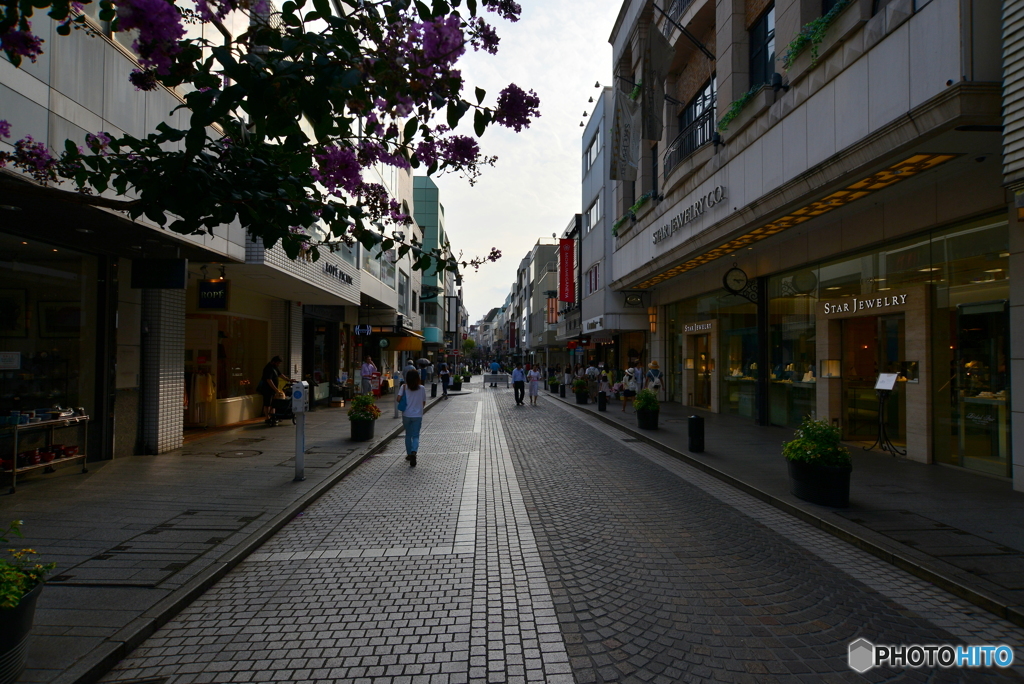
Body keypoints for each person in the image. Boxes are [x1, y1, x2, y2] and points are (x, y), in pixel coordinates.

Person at [397, 368, 427, 467]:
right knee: (416, 435)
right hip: (417, 415)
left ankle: (409, 454)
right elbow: (423, 402)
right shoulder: (422, 388)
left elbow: (398, 399)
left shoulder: (404, 387)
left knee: (408, 435)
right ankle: (414, 451)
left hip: (406, 414)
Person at [260, 356, 294, 425]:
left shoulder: (275, 368)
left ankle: (273, 416)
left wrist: (288, 380)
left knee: (274, 403)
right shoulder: (268, 368)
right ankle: (267, 418)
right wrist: (275, 389)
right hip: (267, 389)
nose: (279, 364)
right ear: (273, 362)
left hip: (273, 389)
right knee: (267, 403)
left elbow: (280, 374)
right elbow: (269, 380)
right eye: (278, 363)